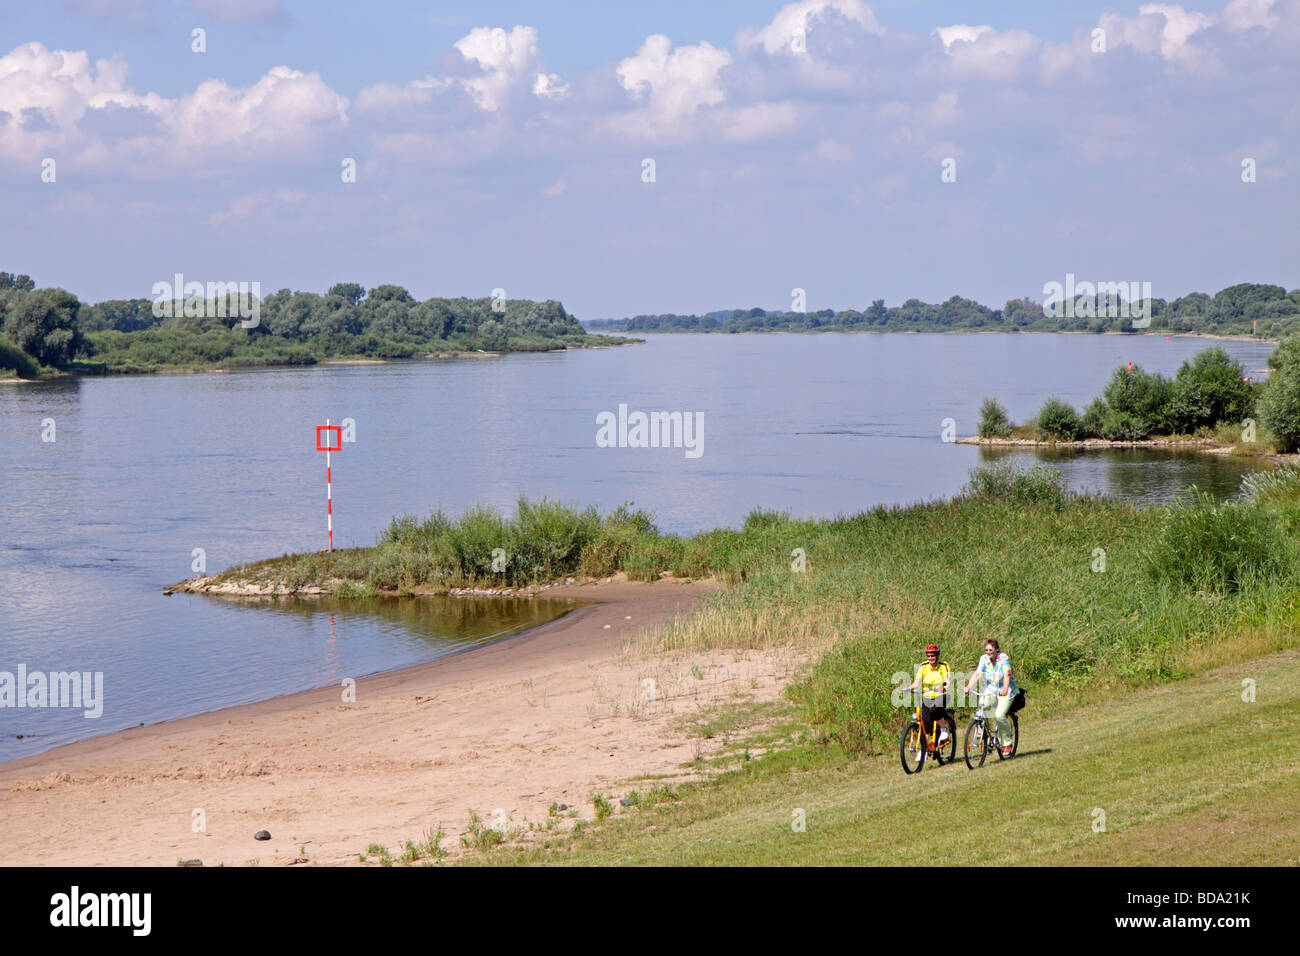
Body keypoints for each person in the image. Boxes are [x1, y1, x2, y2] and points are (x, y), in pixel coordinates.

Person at [964, 638, 1018, 756]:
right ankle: (981, 731)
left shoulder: (1003, 659)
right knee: (982, 708)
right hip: (991, 690)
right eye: (986, 650)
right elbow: (977, 674)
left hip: (1006, 690)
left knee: (999, 715)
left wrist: (1004, 690)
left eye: (991, 650)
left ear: (996, 649)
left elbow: (1006, 675)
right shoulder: (984, 659)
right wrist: (968, 686)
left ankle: (1006, 743)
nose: (988, 652)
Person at [904, 643, 951, 746]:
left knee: (934, 709)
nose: (930, 658)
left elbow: (947, 680)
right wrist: (908, 688)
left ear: (937, 655)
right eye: (928, 656)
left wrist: (944, 687)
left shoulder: (943, 666)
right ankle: (924, 750)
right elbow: (916, 683)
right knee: (926, 724)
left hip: (941, 696)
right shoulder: (923, 667)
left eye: (933, 655)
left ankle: (943, 730)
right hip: (927, 697)